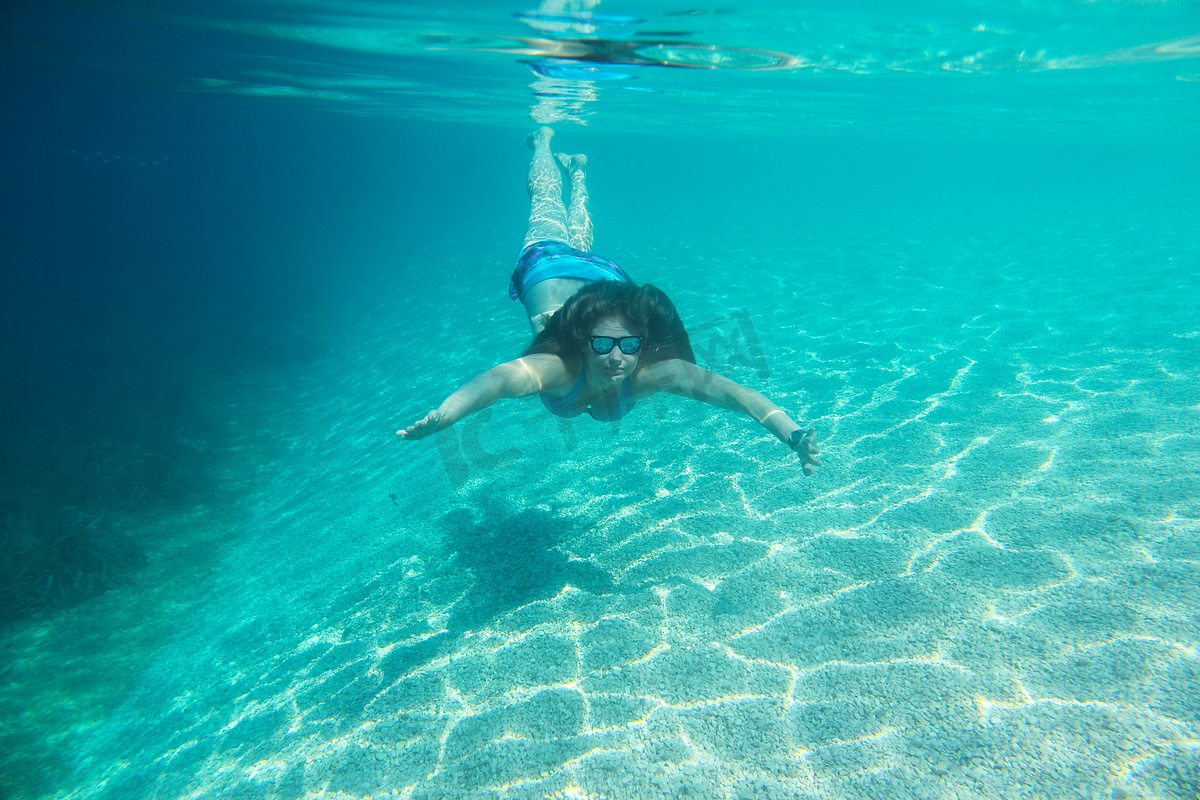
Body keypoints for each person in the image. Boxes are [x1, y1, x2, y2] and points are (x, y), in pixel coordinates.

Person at [398, 128, 822, 475]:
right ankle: (544, 144)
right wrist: (448, 414)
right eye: (602, 344)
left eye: (629, 345)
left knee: (577, 236)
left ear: (642, 342)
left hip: (604, 281)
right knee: (545, 207)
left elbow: (736, 394)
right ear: (583, 341)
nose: (617, 357)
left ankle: (579, 174)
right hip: (549, 267)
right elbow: (497, 381)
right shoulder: (559, 369)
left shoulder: (653, 372)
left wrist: (793, 435)